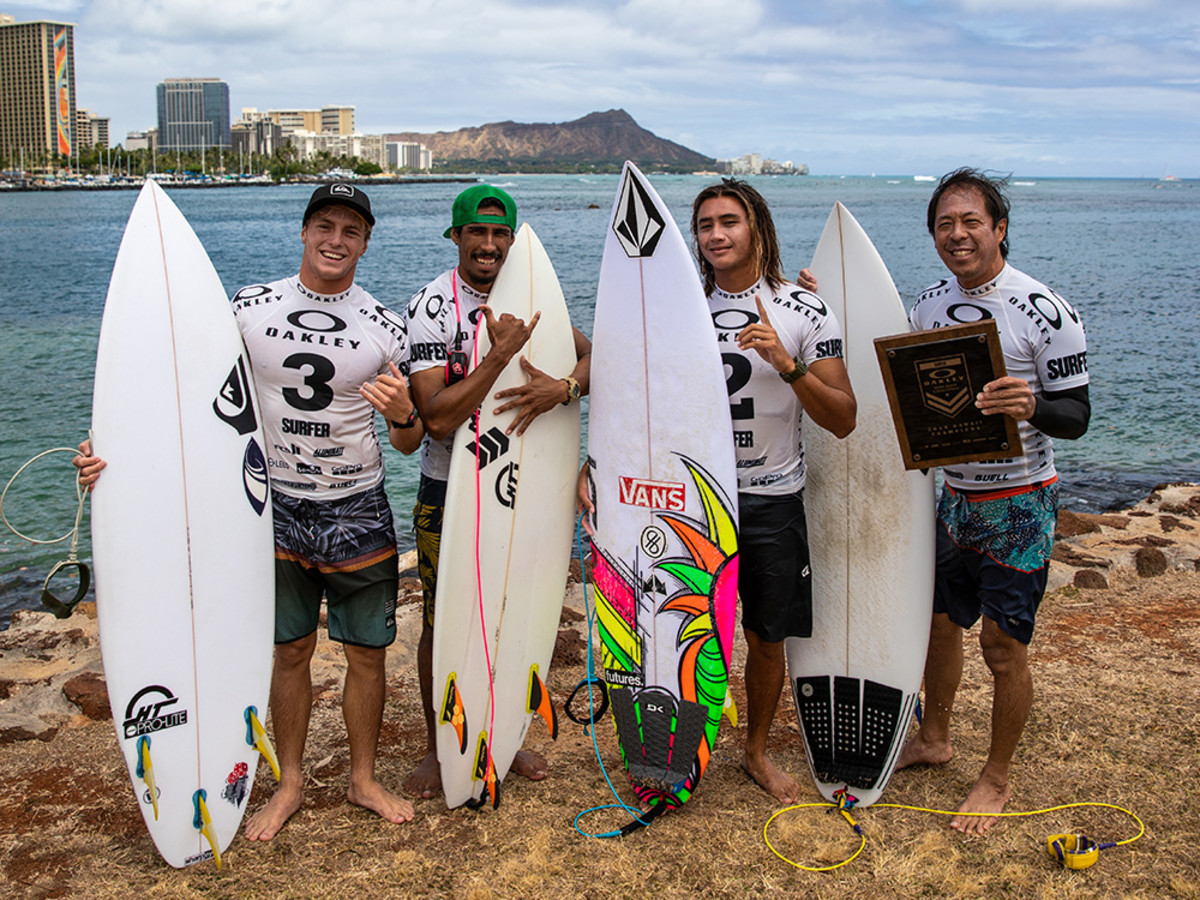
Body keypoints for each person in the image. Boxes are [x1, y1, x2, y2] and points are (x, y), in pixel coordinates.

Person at [77, 183, 423, 840]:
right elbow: (180, 388)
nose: (336, 240)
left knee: (367, 656)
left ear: (366, 242)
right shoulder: (246, 308)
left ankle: (363, 778)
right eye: (325, 225)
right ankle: (288, 782)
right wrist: (110, 448)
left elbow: (408, 442)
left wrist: (403, 414)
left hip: (358, 508)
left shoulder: (386, 327)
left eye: (351, 230)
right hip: (272, 509)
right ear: (303, 231)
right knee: (288, 651)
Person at [581, 178, 856, 804]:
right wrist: (594, 465)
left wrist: (789, 364)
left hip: (769, 498)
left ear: (756, 225)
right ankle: (668, 744)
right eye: (704, 225)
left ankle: (755, 753)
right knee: (672, 632)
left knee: (765, 636)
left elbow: (843, 416)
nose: (715, 235)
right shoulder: (678, 310)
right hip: (686, 504)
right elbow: (630, 402)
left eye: (728, 221)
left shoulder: (804, 311)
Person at [895, 168, 1091, 835]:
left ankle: (997, 776)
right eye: (945, 224)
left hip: (1020, 503)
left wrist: (1033, 403)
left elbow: (1079, 414)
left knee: (1004, 649)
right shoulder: (925, 306)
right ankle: (935, 738)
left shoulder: (1043, 308)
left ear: (999, 227)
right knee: (939, 625)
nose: (957, 234)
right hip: (954, 498)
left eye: (970, 221)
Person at [403, 185, 592, 799]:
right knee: (446, 613)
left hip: (526, 485)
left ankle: (505, 732)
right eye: (476, 234)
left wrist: (562, 388)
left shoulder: (533, 297)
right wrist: (500, 355)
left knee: (521, 599)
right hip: (449, 491)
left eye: (499, 234)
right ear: (455, 236)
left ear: (512, 238)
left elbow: (597, 361)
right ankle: (442, 746)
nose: (489, 245)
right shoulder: (434, 307)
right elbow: (434, 417)